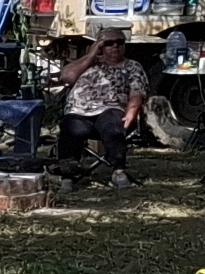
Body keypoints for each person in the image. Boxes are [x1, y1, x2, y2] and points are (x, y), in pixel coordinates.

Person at [61, 31, 145, 185]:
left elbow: (137, 93)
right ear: (100, 46)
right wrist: (91, 54)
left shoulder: (132, 66)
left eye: (120, 42)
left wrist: (131, 113)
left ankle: (119, 171)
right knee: (69, 125)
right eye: (109, 43)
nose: (115, 46)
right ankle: (68, 172)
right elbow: (67, 77)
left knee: (113, 123)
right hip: (79, 112)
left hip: (110, 109)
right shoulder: (87, 64)